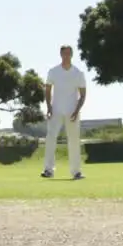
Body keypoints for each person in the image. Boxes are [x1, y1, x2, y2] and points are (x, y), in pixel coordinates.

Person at [42, 44, 87, 180]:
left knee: (73, 140)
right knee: (50, 138)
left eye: (69, 53)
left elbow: (83, 95)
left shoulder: (78, 73)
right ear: (61, 55)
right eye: (64, 53)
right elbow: (48, 90)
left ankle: (76, 172)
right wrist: (49, 107)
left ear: (72, 55)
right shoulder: (53, 72)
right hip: (56, 110)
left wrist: (77, 110)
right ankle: (48, 170)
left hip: (72, 110)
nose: (66, 56)